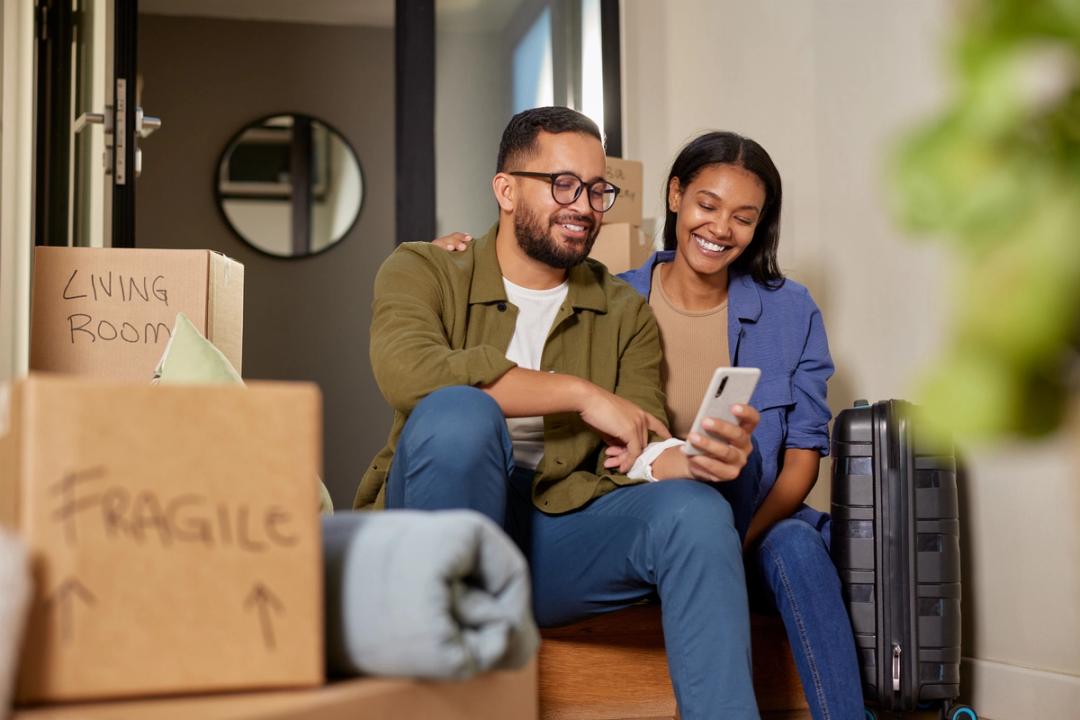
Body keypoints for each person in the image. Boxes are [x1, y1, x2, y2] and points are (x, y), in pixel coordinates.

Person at [435, 131, 864, 720]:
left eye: (744, 217)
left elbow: (802, 463)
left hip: (756, 518)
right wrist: (457, 256)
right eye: (707, 206)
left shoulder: (790, 310)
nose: (720, 229)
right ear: (675, 196)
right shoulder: (618, 299)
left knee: (792, 536)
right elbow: (526, 265)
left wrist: (732, 544)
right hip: (649, 503)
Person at [355, 107, 764, 719]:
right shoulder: (425, 269)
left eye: (598, 190)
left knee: (698, 512)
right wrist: (579, 392)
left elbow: (638, 444)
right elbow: (410, 374)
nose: (584, 205)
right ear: (506, 189)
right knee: (462, 416)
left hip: (556, 537)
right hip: (437, 531)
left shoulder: (624, 311)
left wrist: (697, 458)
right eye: (563, 184)